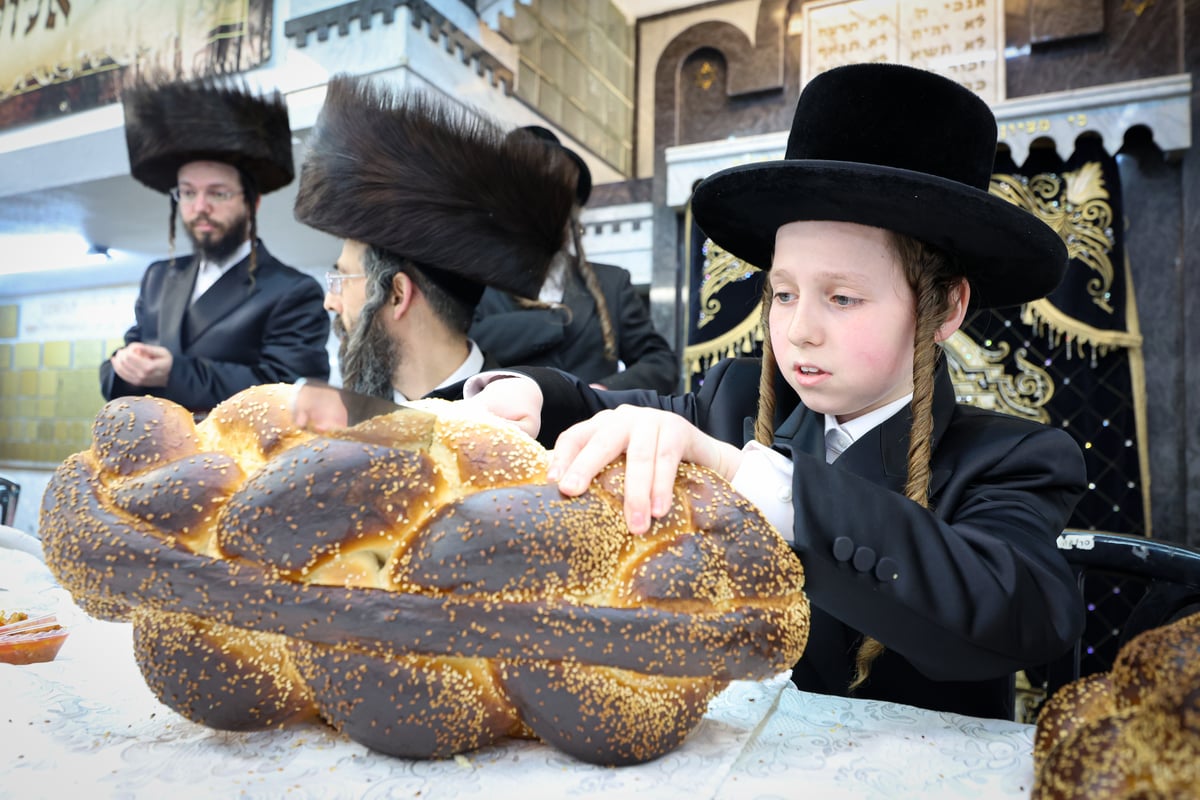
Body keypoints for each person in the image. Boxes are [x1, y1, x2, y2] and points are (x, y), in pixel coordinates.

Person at [465, 63, 1087, 720]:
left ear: (945, 308)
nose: (798, 331)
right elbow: (600, 413)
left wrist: (753, 479)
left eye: (842, 298)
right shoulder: (735, 402)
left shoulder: (1016, 458)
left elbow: (1019, 613)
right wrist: (527, 393)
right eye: (782, 294)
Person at [292, 76, 577, 403]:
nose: (331, 301)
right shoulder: (342, 422)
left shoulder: (526, 430)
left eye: (342, 278)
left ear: (398, 294)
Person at [100, 75, 331, 415]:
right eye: (188, 192)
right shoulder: (159, 277)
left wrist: (172, 373)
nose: (200, 206)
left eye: (218, 193)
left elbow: (290, 393)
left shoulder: (293, 292)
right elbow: (126, 355)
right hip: (155, 451)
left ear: (253, 203)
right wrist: (126, 366)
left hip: (237, 462)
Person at [469, 127, 679, 393]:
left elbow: (661, 364)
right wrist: (554, 321)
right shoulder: (473, 284)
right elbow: (464, 346)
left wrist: (601, 391)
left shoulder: (612, 283)